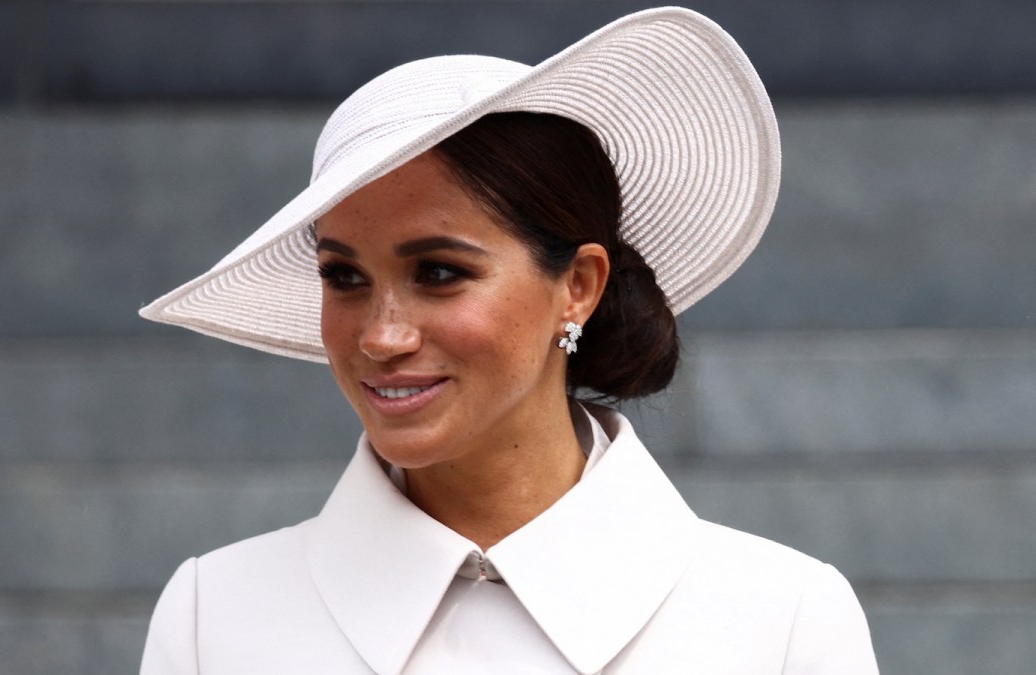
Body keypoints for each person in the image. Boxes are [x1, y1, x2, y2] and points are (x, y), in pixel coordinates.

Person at [137, 7, 879, 674]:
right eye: (345, 276)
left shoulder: (781, 624)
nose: (382, 335)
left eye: (438, 271)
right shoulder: (216, 620)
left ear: (579, 285)